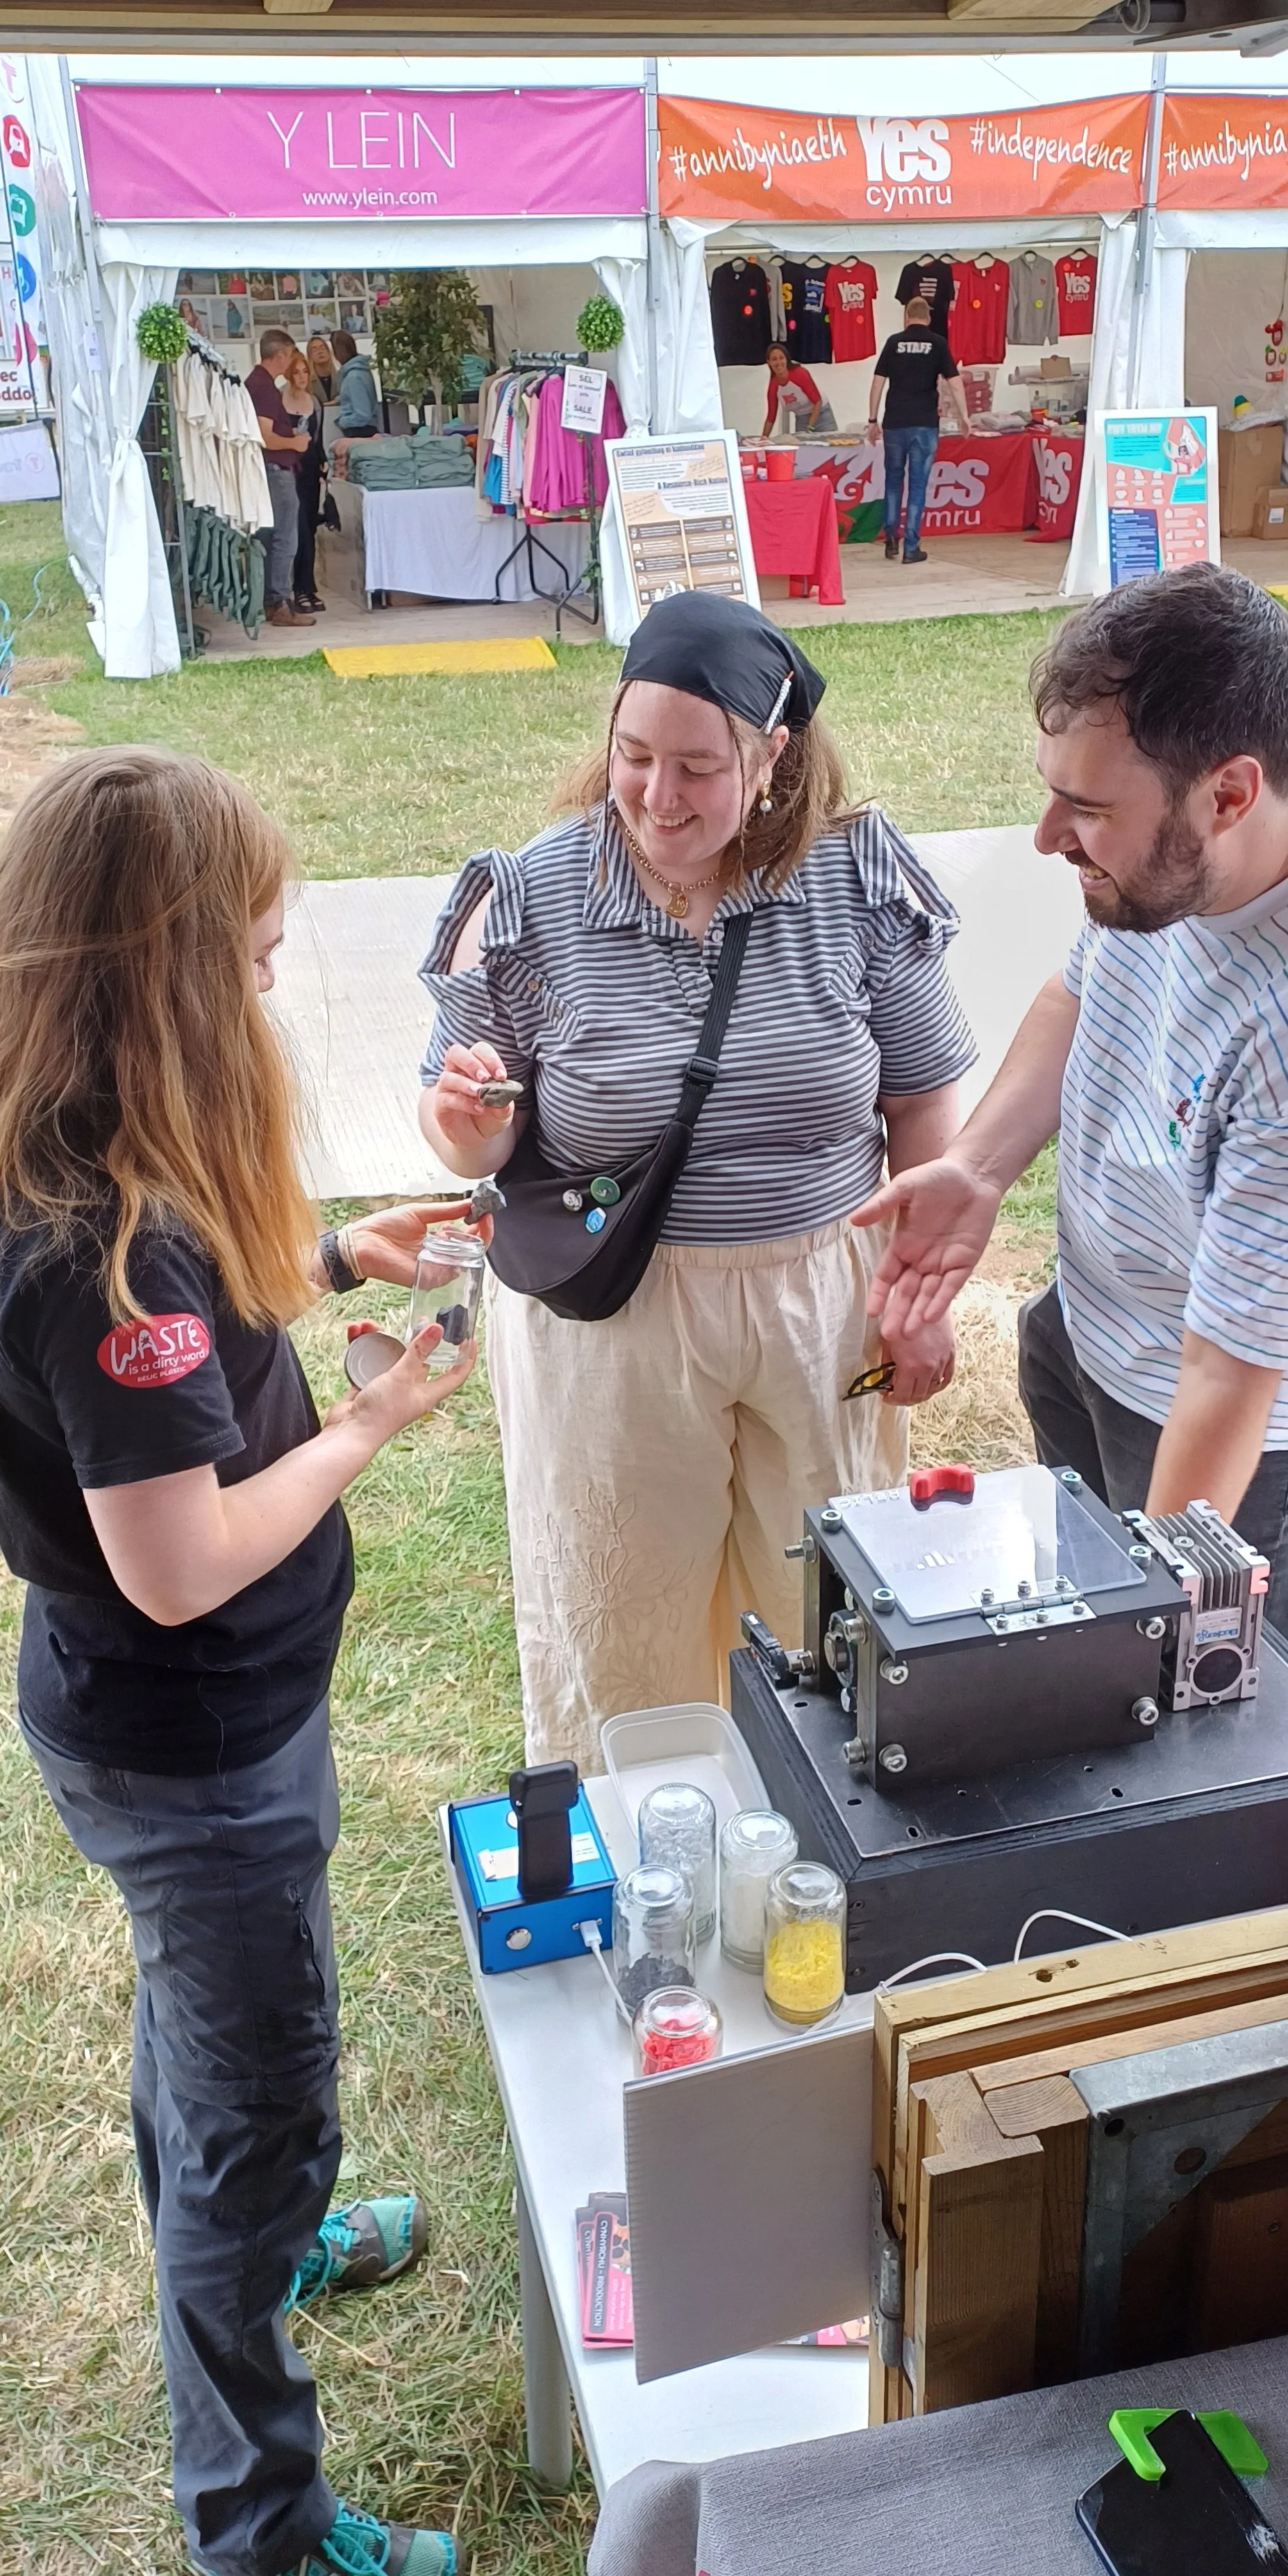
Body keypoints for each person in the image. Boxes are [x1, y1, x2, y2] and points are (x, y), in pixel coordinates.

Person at [0, 748, 485, 2576]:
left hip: (178, 1737)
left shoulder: (75, 1157)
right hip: (198, 1746)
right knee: (257, 2099)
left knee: (212, 2034)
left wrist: (320, 1260)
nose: (266, 974)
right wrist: (380, 1418)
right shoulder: (105, 1245)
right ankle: (257, 2517)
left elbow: (173, 1363)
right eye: (243, 950)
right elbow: (181, 1559)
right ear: (155, 976)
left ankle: (266, 2229)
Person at [418, 590, 976, 1764]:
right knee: (621, 1616)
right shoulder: (532, 897)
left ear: (769, 760)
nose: (656, 795)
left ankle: (821, 1828)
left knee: (826, 1609)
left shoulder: (854, 879)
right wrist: (466, 1122)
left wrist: (920, 1293)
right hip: (615, 1315)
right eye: (633, 756)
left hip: (824, 1298)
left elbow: (924, 1100)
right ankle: (643, 1833)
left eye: (697, 768)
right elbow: (469, 1140)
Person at [858, 564, 1288, 1647]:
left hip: (1222, 1418)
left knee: (1178, 1679)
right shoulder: (1216, 828)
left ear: (1228, 794)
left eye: (1085, 810)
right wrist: (978, 1168)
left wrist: (1154, 1624)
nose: (1046, 836)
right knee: (1080, 1595)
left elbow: (1229, 1374)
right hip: (1099, 1316)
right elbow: (1081, 989)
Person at [866, 295, 972, 566]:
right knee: (917, 486)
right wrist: (964, 416)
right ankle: (911, 548)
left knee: (893, 482)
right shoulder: (938, 343)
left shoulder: (894, 343)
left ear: (906, 317)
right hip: (924, 424)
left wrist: (872, 420)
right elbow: (955, 382)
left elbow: (877, 383)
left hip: (894, 424)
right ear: (928, 318)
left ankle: (891, 538)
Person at [246, 327, 312, 628]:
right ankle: (281, 602)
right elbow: (265, 436)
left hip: (267, 470)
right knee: (285, 538)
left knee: (270, 537)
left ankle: (271, 601)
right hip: (276, 469)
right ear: (281, 355)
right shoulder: (264, 388)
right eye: (289, 357)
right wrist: (295, 443)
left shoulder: (256, 384)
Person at [283, 346, 327, 616]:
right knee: (297, 529)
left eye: (304, 372)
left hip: (310, 470)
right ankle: (298, 588)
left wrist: (323, 463)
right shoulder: (281, 401)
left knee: (309, 528)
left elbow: (318, 437)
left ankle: (307, 586)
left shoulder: (315, 403)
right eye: (296, 372)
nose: (301, 376)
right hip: (291, 470)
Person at [761, 342, 835, 437]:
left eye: (781, 358)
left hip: (822, 414)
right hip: (802, 418)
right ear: (769, 362)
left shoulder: (800, 374)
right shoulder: (774, 385)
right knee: (803, 445)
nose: (779, 363)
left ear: (787, 359)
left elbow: (818, 401)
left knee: (830, 443)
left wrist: (810, 428)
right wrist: (763, 438)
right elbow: (771, 417)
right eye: (774, 359)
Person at [333, 328, 381, 439]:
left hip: (359, 431)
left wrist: (342, 422)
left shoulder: (353, 377)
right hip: (365, 429)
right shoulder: (362, 371)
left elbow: (363, 415)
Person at [307, 330, 339, 404]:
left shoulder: (340, 376)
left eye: (322, 348)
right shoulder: (307, 381)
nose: (320, 352)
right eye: (315, 349)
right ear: (310, 355)